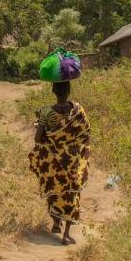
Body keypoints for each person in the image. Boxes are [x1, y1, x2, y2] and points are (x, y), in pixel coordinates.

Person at [28, 79, 91, 245]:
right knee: (71, 194)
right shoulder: (78, 111)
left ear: (53, 91)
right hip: (72, 162)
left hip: (53, 162)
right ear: (69, 90)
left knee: (54, 189)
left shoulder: (46, 111)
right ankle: (66, 235)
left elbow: (38, 138)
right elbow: (85, 134)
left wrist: (42, 129)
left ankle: (56, 222)